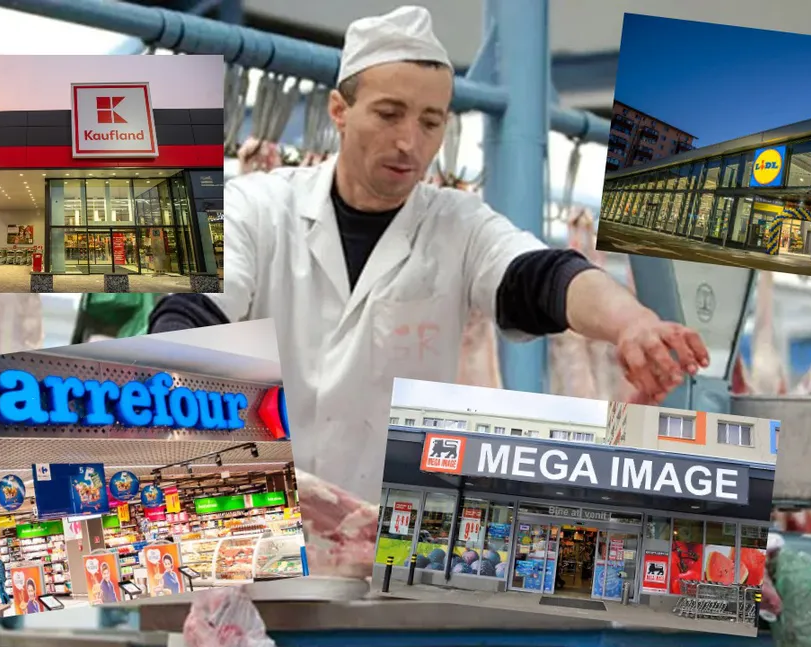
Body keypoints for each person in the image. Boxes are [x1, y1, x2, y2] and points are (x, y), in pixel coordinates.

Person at [147, 6, 710, 506]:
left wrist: (632, 322)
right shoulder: (256, 205)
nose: (409, 142)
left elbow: (544, 277)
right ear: (340, 111)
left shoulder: (457, 224)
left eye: (431, 122)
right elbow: (192, 311)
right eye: (389, 114)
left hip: (381, 539)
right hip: (251, 521)